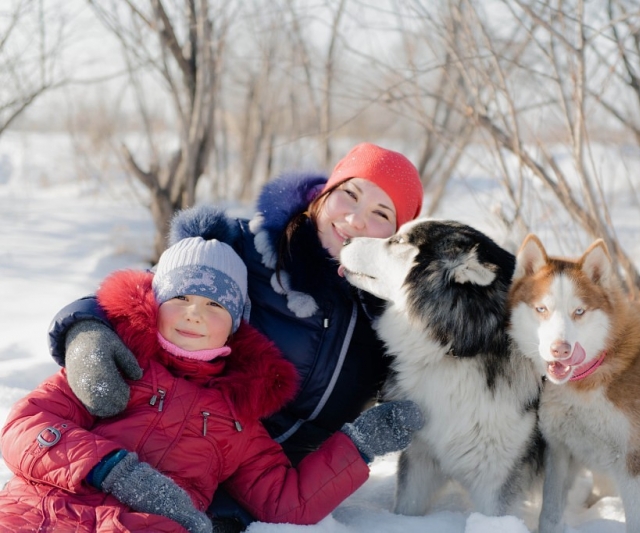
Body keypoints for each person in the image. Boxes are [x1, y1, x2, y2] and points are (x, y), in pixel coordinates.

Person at [46, 142, 425, 528]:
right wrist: (86, 328)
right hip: (163, 444)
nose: (357, 220)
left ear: (397, 235)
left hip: (271, 480)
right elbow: (155, 296)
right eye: (350, 194)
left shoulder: (392, 316)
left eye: (381, 214)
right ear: (326, 193)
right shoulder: (244, 246)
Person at [0, 236, 423, 532]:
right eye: (180, 299)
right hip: (36, 511)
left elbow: (286, 504)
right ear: (156, 303)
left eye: (214, 305)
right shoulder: (122, 361)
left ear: (235, 324)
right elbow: (25, 427)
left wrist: (357, 445)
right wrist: (112, 470)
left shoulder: (239, 418)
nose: (193, 314)